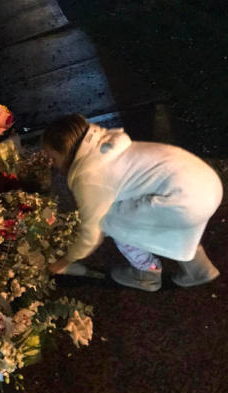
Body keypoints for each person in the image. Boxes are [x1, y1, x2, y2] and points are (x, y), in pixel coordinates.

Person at [43, 113, 223, 291]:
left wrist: (64, 261)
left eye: (53, 158)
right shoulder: (105, 145)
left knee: (110, 219)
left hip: (185, 202)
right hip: (208, 185)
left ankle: (146, 273)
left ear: (66, 153)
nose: (51, 164)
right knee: (171, 220)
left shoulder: (89, 176)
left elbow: (91, 233)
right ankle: (199, 269)